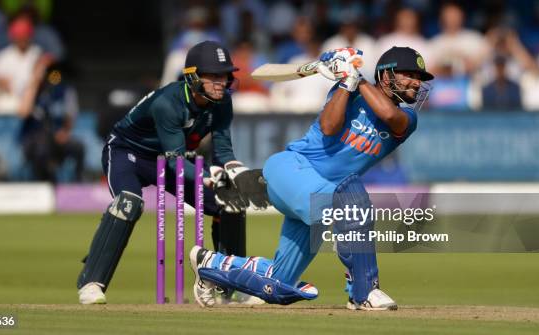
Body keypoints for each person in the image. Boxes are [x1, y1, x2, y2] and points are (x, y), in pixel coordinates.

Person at [190, 46, 434, 310]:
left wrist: (356, 77)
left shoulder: (408, 118)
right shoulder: (349, 94)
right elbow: (329, 127)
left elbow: (388, 115)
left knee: (278, 282)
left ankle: (211, 265)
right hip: (292, 170)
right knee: (354, 201)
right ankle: (363, 291)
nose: (417, 82)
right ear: (386, 76)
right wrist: (347, 81)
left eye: (419, 78)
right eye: (410, 74)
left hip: (323, 192)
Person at [77, 41, 261, 304]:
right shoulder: (168, 103)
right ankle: (91, 284)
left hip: (171, 156)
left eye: (225, 75)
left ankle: (230, 287)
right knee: (129, 203)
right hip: (128, 152)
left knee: (229, 202)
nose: (223, 81)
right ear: (193, 76)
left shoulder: (222, 102)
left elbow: (223, 152)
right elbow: (175, 163)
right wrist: (210, 177)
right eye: (214, 76)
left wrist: (239, 174)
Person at [17, 59, 84, 183]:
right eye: (48, 71)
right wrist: (36, 81)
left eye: (55, 71)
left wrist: (65, 131)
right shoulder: (32, 89)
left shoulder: (65, 90)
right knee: (42, 147)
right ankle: (44, 184)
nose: (53, 75)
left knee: (78, 147)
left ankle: (77, 184)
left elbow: (70, 116)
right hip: (33, 137)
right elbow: (23, 112)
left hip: (56, 137)